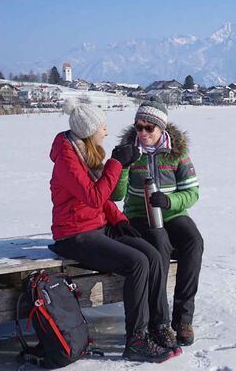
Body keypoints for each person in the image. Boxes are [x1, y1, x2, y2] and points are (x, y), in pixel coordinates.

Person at [47, 101, 181, 363]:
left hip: (96, 226)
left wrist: (118, 220)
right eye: (103, 127)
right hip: (74, 235)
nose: (107, 132)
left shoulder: (84, 151)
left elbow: (102, 198)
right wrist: (116, 163)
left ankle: (158, 325)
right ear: (90, 131)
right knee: (137, 262)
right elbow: (94, 196)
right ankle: (137, 339)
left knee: (152, 254)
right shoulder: (67, 159)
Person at [112, 97, 204, 346]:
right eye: (138, 127)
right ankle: (157, 319)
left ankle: (183, 319)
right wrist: (121, 166)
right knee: (159, 242)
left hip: (172, 214)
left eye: (148, 128)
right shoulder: (129, 150)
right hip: (139, 216)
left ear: (161, 128)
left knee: (193, 241)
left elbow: (193, 192)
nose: (142, 133)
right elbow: (116, 196)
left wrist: (169, 201)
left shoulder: (178, 153)